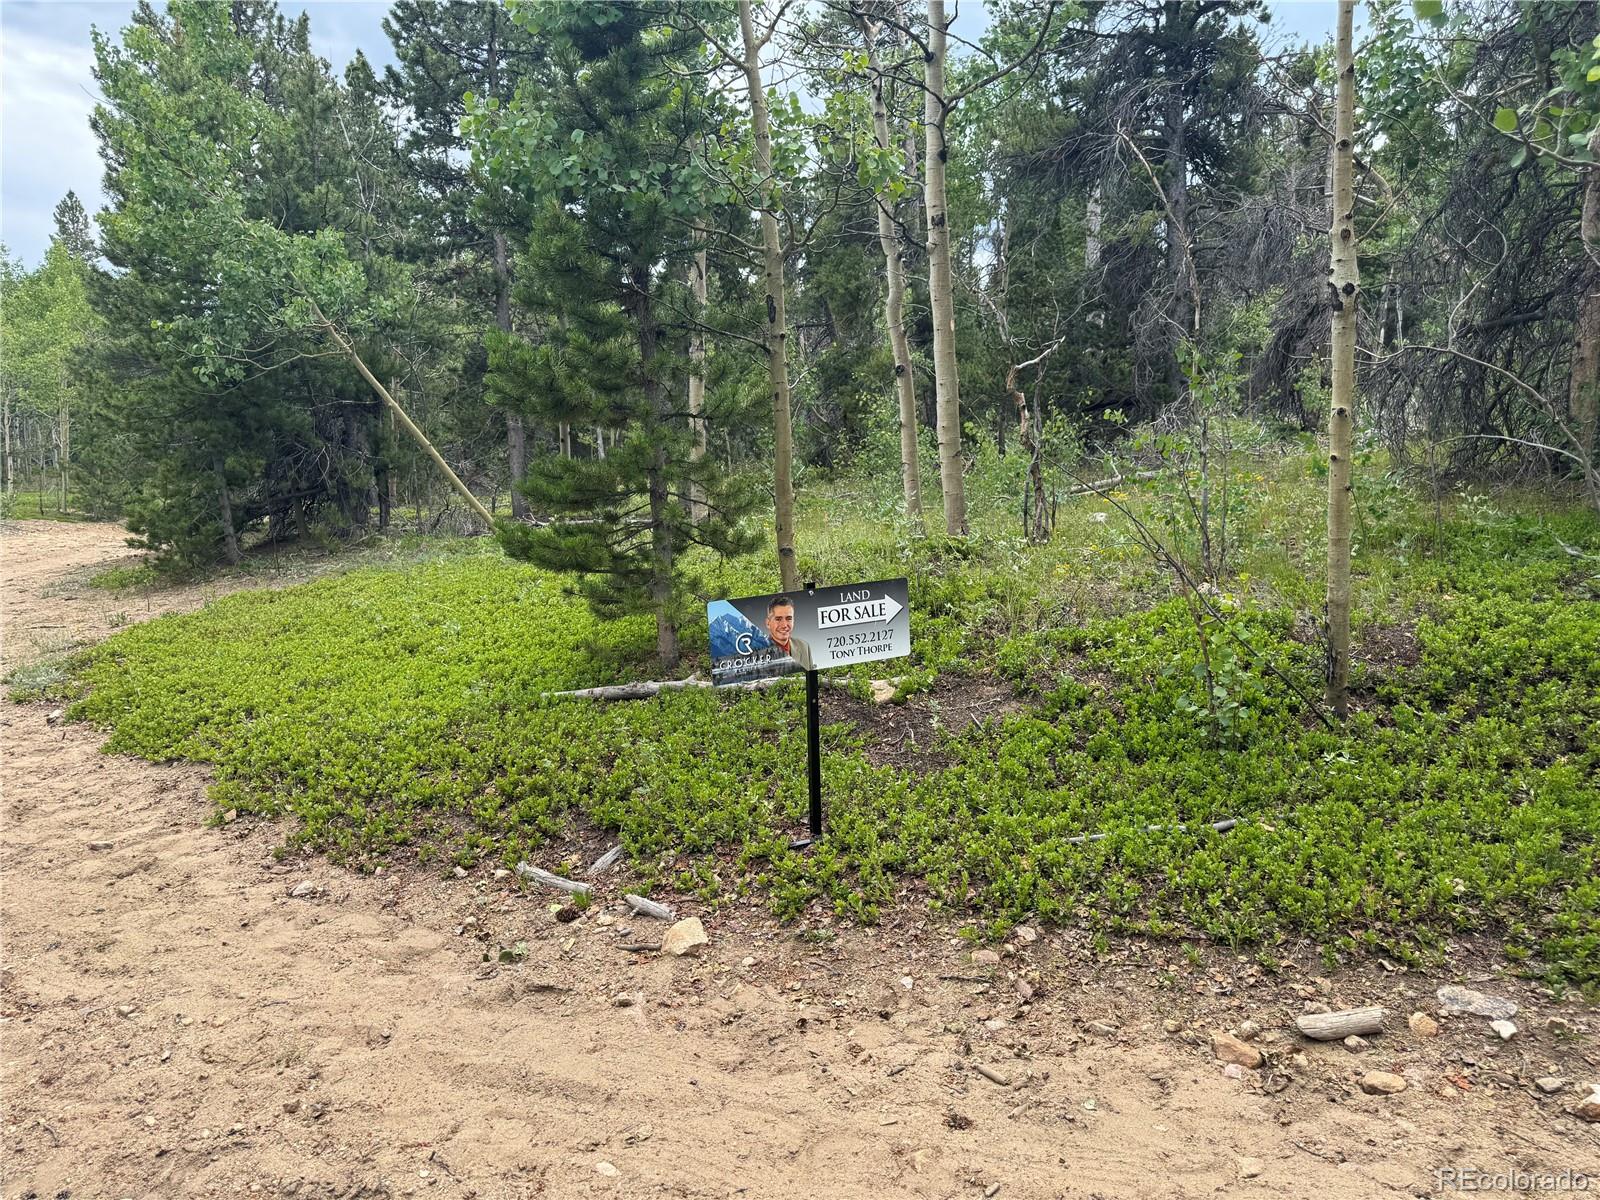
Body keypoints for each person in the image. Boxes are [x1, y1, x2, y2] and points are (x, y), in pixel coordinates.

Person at [763, 596, 812, 670]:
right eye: (778, 619)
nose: (784, 625)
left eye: (789, 619)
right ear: (768, 623)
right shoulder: (757, 652)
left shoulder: (804, 646)